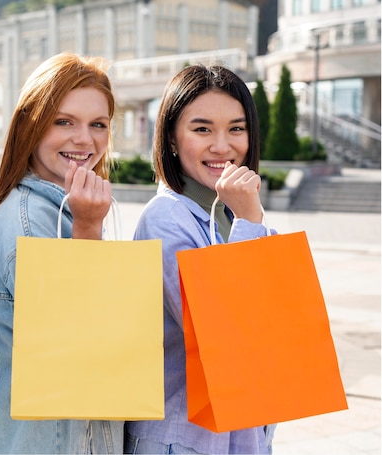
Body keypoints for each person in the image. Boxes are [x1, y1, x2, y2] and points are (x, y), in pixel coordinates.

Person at [124, 65, 276, 454]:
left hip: (242, 433)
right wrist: (250, 223)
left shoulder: (231, 213)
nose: (223, 147)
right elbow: (220, 338)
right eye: (202, 129)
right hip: (183, 438)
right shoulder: (166, 219)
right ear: (172, 140)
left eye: (236, 129)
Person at [0, 53, 122, 454]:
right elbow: (74, 346)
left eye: (98, 125)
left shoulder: (60, 209)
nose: (85, 139)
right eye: (64, 122)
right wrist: (90, 229)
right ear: (31, 124)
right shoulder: (31, 222)